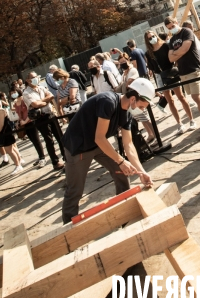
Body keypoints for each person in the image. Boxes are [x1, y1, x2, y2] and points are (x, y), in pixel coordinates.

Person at [62, 78, 154, 224]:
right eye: (142, 106)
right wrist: (121, 161)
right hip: (78, 146)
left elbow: (128, 144)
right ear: (132, 99)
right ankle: (67, 231)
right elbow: (100, 138)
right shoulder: (108, 102)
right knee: (75, 191)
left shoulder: (127, 114)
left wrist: (141, 172)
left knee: (122, 174)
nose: (142, 110)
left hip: (98, 145)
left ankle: (124, 215)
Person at [164, 16, 200, 139]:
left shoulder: (186, 32)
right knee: (196, 97)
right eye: (169, 28)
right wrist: (178, 53)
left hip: (193, 68)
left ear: (176, 22)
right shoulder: (172, 40)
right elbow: (170, 58)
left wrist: (177, 53)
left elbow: (185, 49)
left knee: (197, 97)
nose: (172, 29)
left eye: (173, 26)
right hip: (183, 72)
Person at [144, 30, 195, 133]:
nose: (152, 39)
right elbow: (151, 67)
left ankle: (191, 120)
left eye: (153, 36)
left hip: (171, 72)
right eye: (149, 38)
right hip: (160, 76)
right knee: (170, 100)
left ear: (156, 35)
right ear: (147, 40)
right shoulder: (148, 52)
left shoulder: (166, 45)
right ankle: (179, 123)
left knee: (181, 97)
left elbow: (173, 57)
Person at [23, 72, 65, 170]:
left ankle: (66, 157)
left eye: (36, 77)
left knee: (60, 137)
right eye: (33, 77)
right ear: (28, 80)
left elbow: (50, 96)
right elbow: (35, 105)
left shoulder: (41, 88)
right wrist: (44, 101)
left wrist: (41, 101)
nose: (36, 79)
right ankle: (55, 162)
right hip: (40, 118)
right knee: (49, 140)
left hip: (50, 114)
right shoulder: (26, 93)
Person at [118, 53, 156, 143]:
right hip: (131, 100)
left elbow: (128, 84)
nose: (122, 63)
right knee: (141, 118)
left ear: (128, 60)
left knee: (145, 118)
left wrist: (123, 86)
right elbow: (123, 85)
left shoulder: (133, 70)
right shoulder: (124, 74)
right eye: (120, 62)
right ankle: (150, 134)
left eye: (124, 61)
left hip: (138, 98)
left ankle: (155, 135)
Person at [0, 98, 23, 175]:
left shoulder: (1, 111)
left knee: (10, 150)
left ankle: (18, 165)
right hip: (2, 133)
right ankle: (18, 163)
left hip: (5, 133)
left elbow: (1, 124)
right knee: (12, 149)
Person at [12, 91, 47, 167]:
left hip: (31, 121)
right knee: (33, 141)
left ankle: (42, 157)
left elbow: (30, 110)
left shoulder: (24, 100)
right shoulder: (15, 103)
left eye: (14, 92)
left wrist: (25, 121)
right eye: (11, 93)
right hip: (24, 124)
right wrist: (19, 122)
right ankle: (40, 156)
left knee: (36, 140)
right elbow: (18, 114)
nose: (13, 94)